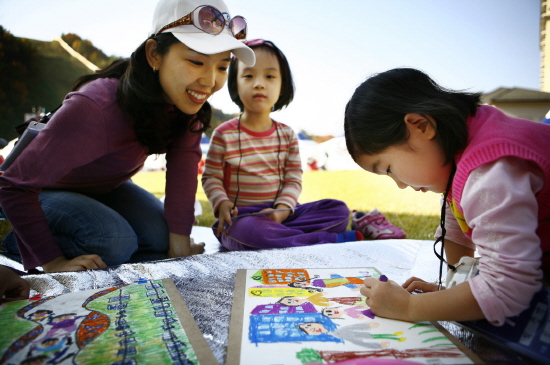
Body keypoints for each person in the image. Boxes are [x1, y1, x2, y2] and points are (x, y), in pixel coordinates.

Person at [0, 0, 255, 273]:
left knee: (161, 236)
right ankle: (16, 243)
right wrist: (51, 260)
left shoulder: (186, 104)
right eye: (196, 61)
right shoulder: (97, 106)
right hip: (45, 188)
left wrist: (179, 245)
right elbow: (12, 185)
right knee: (114, 241)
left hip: (101, 187)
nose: (209, 81)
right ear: (155, 54)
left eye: (221, 67)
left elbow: (183, 167)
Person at [344, 67, 550, 326]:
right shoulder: (466, 140)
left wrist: (410, 307)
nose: (399, 185)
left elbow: (506, 289)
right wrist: (451, 294)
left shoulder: (489, 169)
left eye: (388, 168)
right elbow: (457, 228)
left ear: (421, 126)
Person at [201, 39, 361, 251]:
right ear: (235, 83)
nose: (259, 83)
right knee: (249, 233)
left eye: (270, 76)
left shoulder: (287, 135)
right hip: (242, 219)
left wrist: (282, 211)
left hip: (285, 214)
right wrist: (221, 203)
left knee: (338, 210)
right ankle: (325, 241)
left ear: (282, 85)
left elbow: (293, 178)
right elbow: (211, 176)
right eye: (248, 75)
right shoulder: (224, 134)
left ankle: (284, 238)